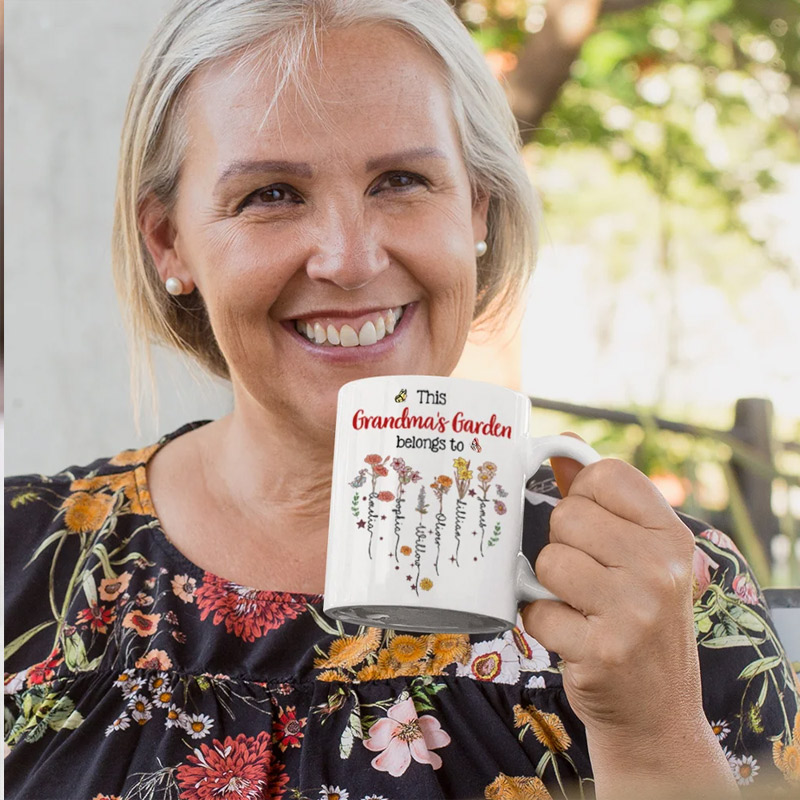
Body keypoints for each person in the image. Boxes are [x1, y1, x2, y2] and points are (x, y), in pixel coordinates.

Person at [4, 1, 798, 798]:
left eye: (401, 181)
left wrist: (653, 730)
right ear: (169, 241)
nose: (349, 260)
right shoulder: (20, 565)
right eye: (271, 193)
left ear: (476, 209)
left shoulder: (666, 596)